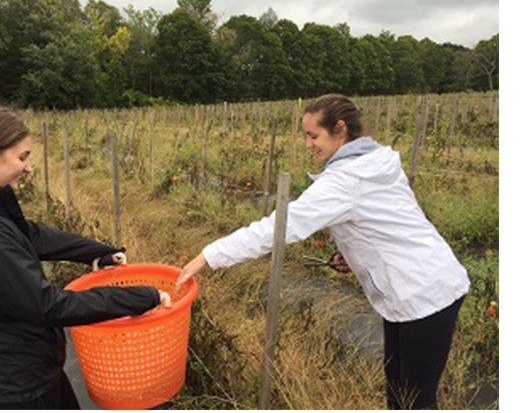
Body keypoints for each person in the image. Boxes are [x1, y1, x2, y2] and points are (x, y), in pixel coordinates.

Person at [175, 94, 470, 410]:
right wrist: (357, 254)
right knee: (400, 394)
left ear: (340, 129)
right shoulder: (372, 161)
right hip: (417, 285)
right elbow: (390, 220)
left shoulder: (345, 179)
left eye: (313, 135)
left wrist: (210, 255)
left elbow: (280, 227)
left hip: (425, 293)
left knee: (416, 401)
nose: (307, 144)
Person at [0, 101, 172, 410]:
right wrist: (142, 298)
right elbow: (47, 305)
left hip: (34, 370)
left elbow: (29, 235)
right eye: (23, 157)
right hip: (16, 390)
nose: (29, 167)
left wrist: (99, 253)